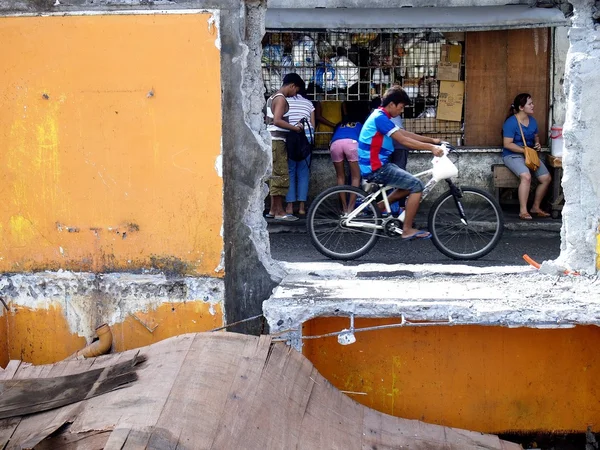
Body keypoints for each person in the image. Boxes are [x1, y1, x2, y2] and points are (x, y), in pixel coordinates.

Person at [358, 87, 444, 240]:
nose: (402, 110)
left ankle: (379, 207)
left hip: (378, 165)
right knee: (417, 185)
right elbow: (403, 141)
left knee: (408, 185)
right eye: (401, 106)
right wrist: (431, 148)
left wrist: (433, 140)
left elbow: (404, 133)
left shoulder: (381, 116)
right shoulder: (380, 118)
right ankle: (407, 229)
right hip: (377, 167)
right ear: (391, 104)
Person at [502, 93, 551, 220]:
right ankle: (523, 211)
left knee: (546, 178)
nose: (533, 105)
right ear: (521, 107)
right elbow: (507, 144)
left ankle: (535, 207)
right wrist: (523, 151)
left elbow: (536, 137)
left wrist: (537, 144)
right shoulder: (511, 122)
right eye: (530, 104)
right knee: (526, 176)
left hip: (530, 155)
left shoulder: (533, 121)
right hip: (512, 155)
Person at [265, 73, 304, 221]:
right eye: (296, 90)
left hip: (271, 140)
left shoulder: (272, 97)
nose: (295, 94)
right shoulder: (281, 99)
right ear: (292, 86)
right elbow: (277, 121)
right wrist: (295, 128)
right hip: (277, 141)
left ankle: (274, 210)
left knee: (275, 175)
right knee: (281, 175)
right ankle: (280, 212)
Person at [285, 82, 315, 217]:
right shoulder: (309, 104)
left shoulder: (284, 101)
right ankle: (302, 207)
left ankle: (290, 207)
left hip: (289, 142)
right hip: (305, 143)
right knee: (303, 174)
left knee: (290, 172)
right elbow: (312, 125)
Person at [329, 120, 363, 214]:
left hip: (335, 144)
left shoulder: (339, 125)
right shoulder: (359, 124)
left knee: (340, 176)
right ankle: (350, 209)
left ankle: (344, 209)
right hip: (351, 144)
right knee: (356, 177)